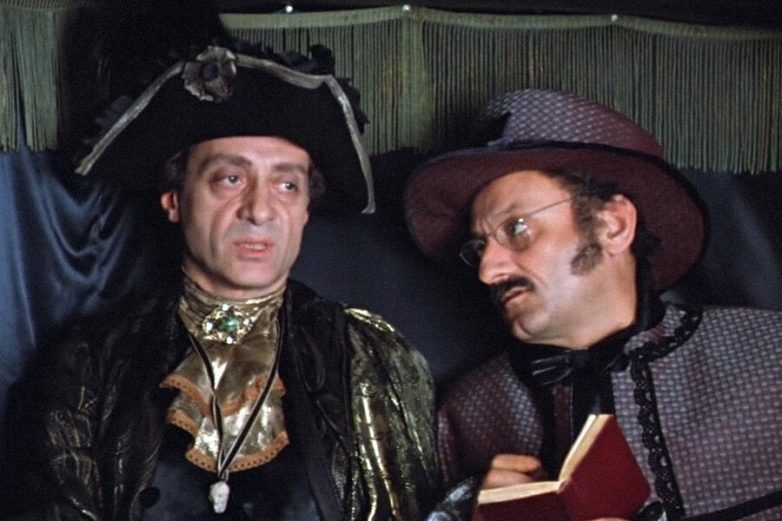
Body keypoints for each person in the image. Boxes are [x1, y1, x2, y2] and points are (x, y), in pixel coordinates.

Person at [7, 43, 439, 520]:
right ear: (174, 200)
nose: (260, 210)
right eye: (231, 179)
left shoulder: (368, 357)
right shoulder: (93, 360)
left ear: (305, 211)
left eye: (287, 185)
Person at [405, 89, 782, 520]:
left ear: (612, 224)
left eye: (517, 228)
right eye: (478, 248)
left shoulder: (769, 354)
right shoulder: (465, 413)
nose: (488, 270)